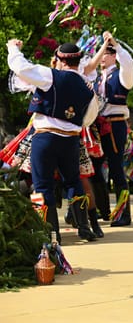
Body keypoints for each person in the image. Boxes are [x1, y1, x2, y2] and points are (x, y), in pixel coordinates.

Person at [7, 39, 99, 243]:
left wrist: (13, 47)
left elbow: (19, 67)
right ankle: (83, 227)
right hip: (71, 140)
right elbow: (89, 118)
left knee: (43, 186)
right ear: (78, 61)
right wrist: (70, 123)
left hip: (46, 137)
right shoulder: (88, 87)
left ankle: (51, 233)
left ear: (59, 60)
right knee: (74, 181)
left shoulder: (51, 75)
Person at [91, 31, 133, 226]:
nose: (102, 57)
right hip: (98, 125)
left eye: (106, 54)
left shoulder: (122, 75)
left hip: (115, 123)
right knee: (93, 168)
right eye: (101, 54)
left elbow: (129, 64)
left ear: (114, 56)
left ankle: (123, 214)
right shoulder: (97, 78)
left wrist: (116, 45)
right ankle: (104, 210)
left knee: (116, 169)